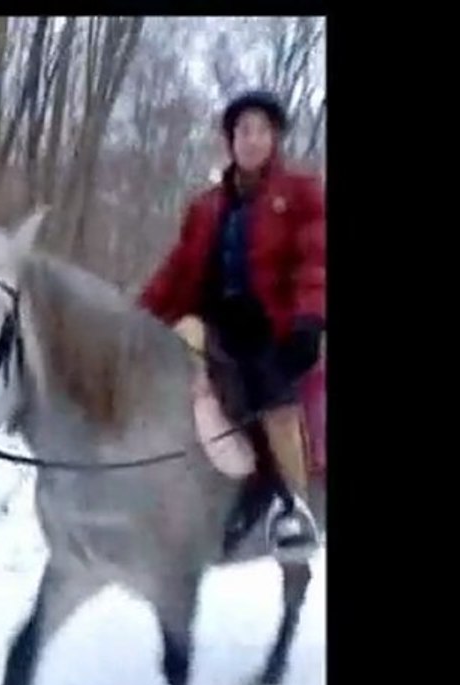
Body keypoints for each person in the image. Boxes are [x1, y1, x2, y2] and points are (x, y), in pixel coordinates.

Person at [137, 89, 325, 562]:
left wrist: (309, 319)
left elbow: (314, 261)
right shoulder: (206, 208)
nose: (251, 139)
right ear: (231, 140)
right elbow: (176, 271)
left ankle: (293, 506)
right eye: (243, 130)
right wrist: (133, 318)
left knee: (275, 396)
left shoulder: (301, 193)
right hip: (212, 323)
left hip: (269, 326)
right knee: (174, 352)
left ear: (274, 138)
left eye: (261, 130)